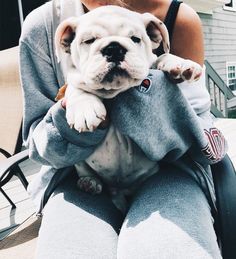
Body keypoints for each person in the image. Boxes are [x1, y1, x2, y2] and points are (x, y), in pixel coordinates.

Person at [19, 0, 225, 258]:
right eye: (90, 40)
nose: (113, 50)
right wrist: (76, 108)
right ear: (67, 41)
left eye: (134, 40)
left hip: (168, 173)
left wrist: (154, 86)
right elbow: (37, 144)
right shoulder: (45, 25)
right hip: (78, 177)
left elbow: (204, 140)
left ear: (155, 37)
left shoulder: (179, 19)